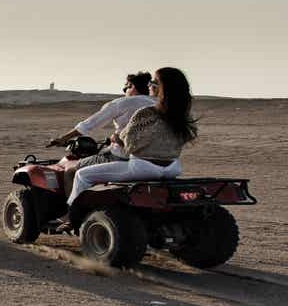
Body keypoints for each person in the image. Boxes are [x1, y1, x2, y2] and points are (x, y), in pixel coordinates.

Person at [67, 67, 197, 205]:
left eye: (153, 82)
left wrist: (115, 138)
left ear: (162, 87)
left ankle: (73, 218)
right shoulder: (184, 115)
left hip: (143, 168)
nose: (149, 85)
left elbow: (129, 145)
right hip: (172, 168)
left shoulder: (146, 113)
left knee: (82, 175)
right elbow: (184, 138)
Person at [50, 71, 154, 168]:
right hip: (154, 159)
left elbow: (89, 125)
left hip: (122, 157)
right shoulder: (158, 104)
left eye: (125, 88)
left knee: (71, 169)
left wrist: (63, 138)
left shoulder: (121, 103)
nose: (124, 92)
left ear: (132, 86)